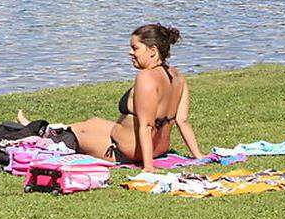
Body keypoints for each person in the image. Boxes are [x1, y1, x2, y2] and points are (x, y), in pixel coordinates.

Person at [16, 24, 204, 171]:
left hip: (127, 151)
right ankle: (42, 127)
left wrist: (148, 166)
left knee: (74, 135)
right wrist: (198, 156)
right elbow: (182, 120)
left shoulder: (146, 78)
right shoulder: (178, 76)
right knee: (93, 122)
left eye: (135, 48)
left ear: (152, 51)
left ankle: (36, 131)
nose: (130, 53)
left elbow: (146, 126)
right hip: (159, 148)